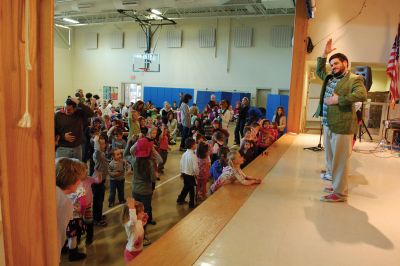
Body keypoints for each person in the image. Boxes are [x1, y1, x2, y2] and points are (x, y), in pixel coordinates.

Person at [314, 38, 367, 202]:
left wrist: (339, 100)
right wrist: (324, 54)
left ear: (345, 63)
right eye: (332, 64)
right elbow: (319, 71)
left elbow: (361, 95)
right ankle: (336, 184)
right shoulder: (330, 77)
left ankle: (340, 193)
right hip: (328, 123)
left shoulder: (354, 79)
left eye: (336, 63)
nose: (334, 67)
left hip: (342, 126)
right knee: (330, 159)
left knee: (340, 160)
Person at [55, 157, 86, 261]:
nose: (81, 183)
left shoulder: (56, 192)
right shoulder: (64, 203)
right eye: (80, 180)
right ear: (73, 180)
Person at [121, 198, 148, 263]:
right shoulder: (129, 224)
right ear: (133, 214)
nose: (143, 213)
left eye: (143, 211)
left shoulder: (138, 221)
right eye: (141, 212)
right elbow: (133, 221)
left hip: (139, 250)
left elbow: (139, 227)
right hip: (131, 253)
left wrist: (144, 220)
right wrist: (132, 208)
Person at [177, 138, 198, 208]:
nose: (196, 145)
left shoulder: (184, 154)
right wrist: (197, 174)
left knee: (186, 187)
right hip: (190, 175)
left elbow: (181, 164)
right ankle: (192, 204)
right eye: (195, 144)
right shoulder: (193, 156)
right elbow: (195, 167)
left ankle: (180, 199)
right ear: (192, 145)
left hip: (185, 174)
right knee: (191, 190)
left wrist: (181, 172)